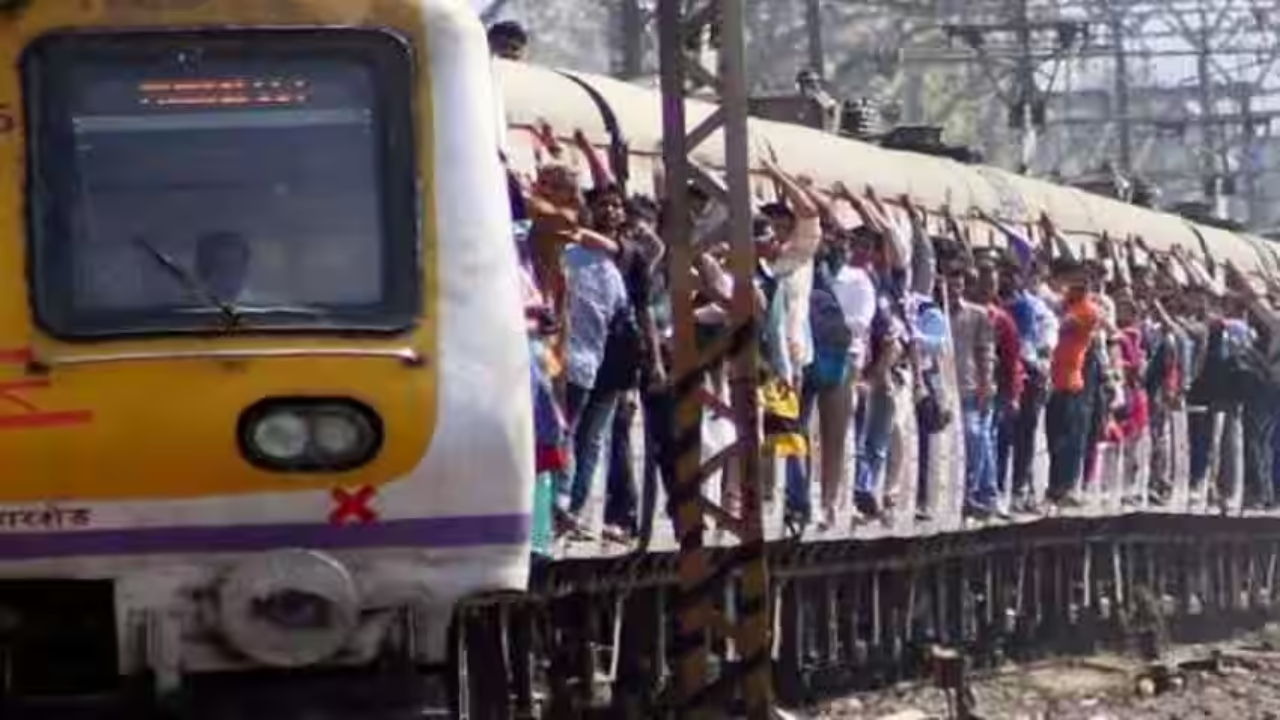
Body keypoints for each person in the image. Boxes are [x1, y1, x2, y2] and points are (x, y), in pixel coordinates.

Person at [1046, 258, 1102, 507]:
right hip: (1055, 379)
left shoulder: (1088, 311)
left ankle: (1065, 486)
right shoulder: (1065, 302)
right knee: (1053, 436)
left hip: (1070, 381)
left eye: (1082, 283)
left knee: (1067, 439)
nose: (1077, 286)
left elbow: (1060, 324)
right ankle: (1054, 486)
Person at [194, 231, 251, 303]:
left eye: (235, 266)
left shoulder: (261, 307)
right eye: (223, 268)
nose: (230, 276)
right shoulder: (187, 307)